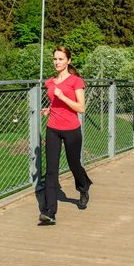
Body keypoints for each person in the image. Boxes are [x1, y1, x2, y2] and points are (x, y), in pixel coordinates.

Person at [39, 46, 92, 225]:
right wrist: (49, 109)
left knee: (73, 164)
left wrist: (62, 97)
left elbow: (81, 108)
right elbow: (55, 103)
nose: (56, 62)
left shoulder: (76, 81)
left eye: (60, 59)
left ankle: (84, 187)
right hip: (53, 127)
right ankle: (50, 212)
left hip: (71, 129)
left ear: (68, 61)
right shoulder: (49, 82)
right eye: (55, 59)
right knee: (51, 170)